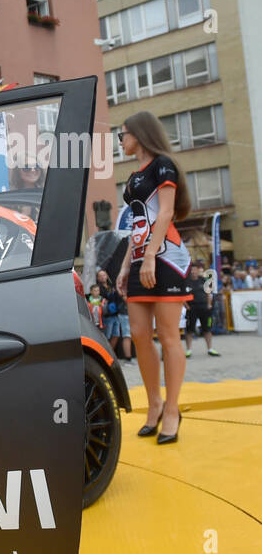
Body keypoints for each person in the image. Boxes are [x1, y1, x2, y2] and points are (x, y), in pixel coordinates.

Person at [116, 111, 193, 445]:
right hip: (139, 259)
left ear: (139, 134)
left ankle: (172, 410)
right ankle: (155, 403)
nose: (121, 141)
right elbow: (136, 224)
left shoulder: (163, 165)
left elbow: (165, 212)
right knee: (139, 334)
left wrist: (149, 257)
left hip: (166, 258)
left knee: (168, 335)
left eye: (123, 135)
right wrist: (125, 266)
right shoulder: (133, 177)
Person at [184, 261, 221, 357]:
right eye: (191, 270)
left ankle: (210, 349)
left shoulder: (204, 280)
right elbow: (182, 296)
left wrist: (209, 304)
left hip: (204, 307)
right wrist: (187, 306)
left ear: (198, 270)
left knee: (207, 329)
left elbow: (208, 293)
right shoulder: (186, 281)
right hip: (191, 308)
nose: (193, 272)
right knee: (189, 330)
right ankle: (188, 350)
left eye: (195, 270)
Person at [97, 268, 132, 362]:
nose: (102, 277)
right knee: (107, 336)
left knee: (116, 335)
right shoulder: (98, 288)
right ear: (98, 278)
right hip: (107, 315)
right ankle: (105, 356)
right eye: (100, 276)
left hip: (116, 313)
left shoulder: (111, 286)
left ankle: (110, 355)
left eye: (104, 275)